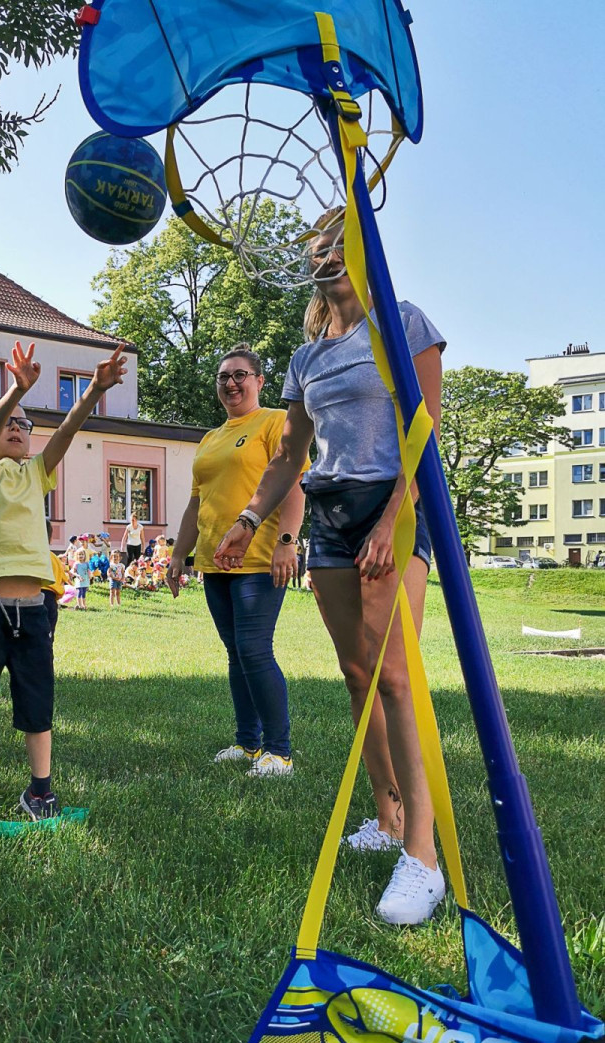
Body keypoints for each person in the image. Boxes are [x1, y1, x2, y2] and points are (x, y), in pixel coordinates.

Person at [213, 208, 446, 925]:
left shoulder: (403, 323)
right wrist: (251, 518)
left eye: (341, 243)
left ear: (366, 252)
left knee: (395, 673)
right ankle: (385, 817)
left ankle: (424, 857)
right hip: (331, 512)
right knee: (355, 675)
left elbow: (426, 430)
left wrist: (393, 516)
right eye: (318, 247)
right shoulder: (306, 357)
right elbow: (290, 455)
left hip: (392, 500)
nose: (328, 254)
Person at [0, 341, 127, 822]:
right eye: (9, 422)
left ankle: (40, 791)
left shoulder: (36, 473)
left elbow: (68, 431)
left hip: (32, 611)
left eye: (24, 424)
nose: (18, 429)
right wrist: (15, 391)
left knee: (37, 703)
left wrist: (92, 389)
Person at [167, 343, 305, 777]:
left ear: (260, 381)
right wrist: (178, 555)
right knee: (235, 653)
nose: (231, 383)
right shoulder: (209, 440)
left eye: (240, 374)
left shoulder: (276, 422)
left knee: (254, 649)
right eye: (224, 376)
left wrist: (287, 541)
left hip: (260, 558)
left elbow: (294, 487)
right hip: (213, 561)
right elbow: (196, 504)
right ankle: (248, 744)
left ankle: (278, 751)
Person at [41, 518, 70, 636]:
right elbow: (63, 580)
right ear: (50, 539)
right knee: (49, 634)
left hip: (34, 596)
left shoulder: (32, 558)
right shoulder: (55, 559)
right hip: (51, 600)